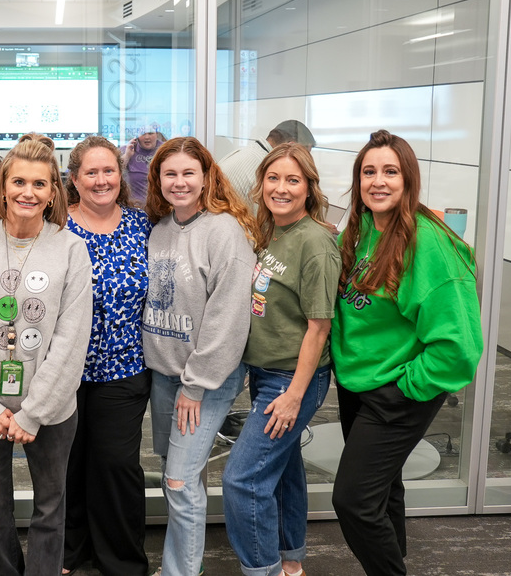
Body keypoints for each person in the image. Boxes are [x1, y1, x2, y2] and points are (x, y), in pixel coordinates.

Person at [329, 129, 483, 576]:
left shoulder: (427, 243)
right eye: (368, 171)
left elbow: (459, 348)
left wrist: (404, 388)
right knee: (382, 490)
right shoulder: (360, 231)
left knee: (353, 501)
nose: (378, 181)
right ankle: (394, 558)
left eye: (390, 171)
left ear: (409, 179)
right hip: (358, 382)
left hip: (396, 390)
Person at [0, 133, 93, 575]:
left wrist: (33, 413)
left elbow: (71, 340)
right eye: (19, 182)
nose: (28, 193)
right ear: (3, 187)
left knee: (51, 506)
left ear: (53, 193)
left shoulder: (71, 249)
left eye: (40, 185)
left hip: (51, 408)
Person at [222, 143, 340, 576]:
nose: (281, 188)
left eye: (293, 180)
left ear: (309, 188)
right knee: (286, 468)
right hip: (263, 370)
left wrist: (294, 395)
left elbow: (319, 328)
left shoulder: (316, 245)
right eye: (273, 178)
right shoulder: (267, 229)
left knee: (243, 478)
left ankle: (263, 569)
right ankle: (292, 561)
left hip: (292, 377)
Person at [142, 137, 258, 576]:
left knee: (178, 479)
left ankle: (180, 572)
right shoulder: (161, 228)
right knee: (184, 476)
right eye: (170, 173)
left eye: (189, 172)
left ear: (207, 176)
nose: (179, 182)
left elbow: (228, 319)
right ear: (158, 180)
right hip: (164, 374)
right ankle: (186, 562)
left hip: (204, 380)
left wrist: (195, 386)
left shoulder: (224, 231)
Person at [62, 136, 152, 576]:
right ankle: (71, 554)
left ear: (121, 174)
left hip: (125, 367)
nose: (101, 180)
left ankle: (122, 562)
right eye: (91, 172)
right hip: (65, 371)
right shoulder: (56, 226)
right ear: (75, 179)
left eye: (108, 171)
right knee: (69, 464)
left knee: (116, 465)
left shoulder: (143, 225)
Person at [217, 120, 317, 209]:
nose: (306, 161)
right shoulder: (261, 165)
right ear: (290, 146)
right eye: (305, 153)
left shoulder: (250, 153)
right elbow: (264, 222)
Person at [121, 125, 163, 207]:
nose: (147, 137)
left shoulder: (164, 149)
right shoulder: (127, 150)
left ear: (157, 134)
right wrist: (127, 155)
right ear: (136, 136)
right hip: (134, 206)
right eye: (143, 134)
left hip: (159, 206)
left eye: (150, 133)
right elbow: (115, 171)